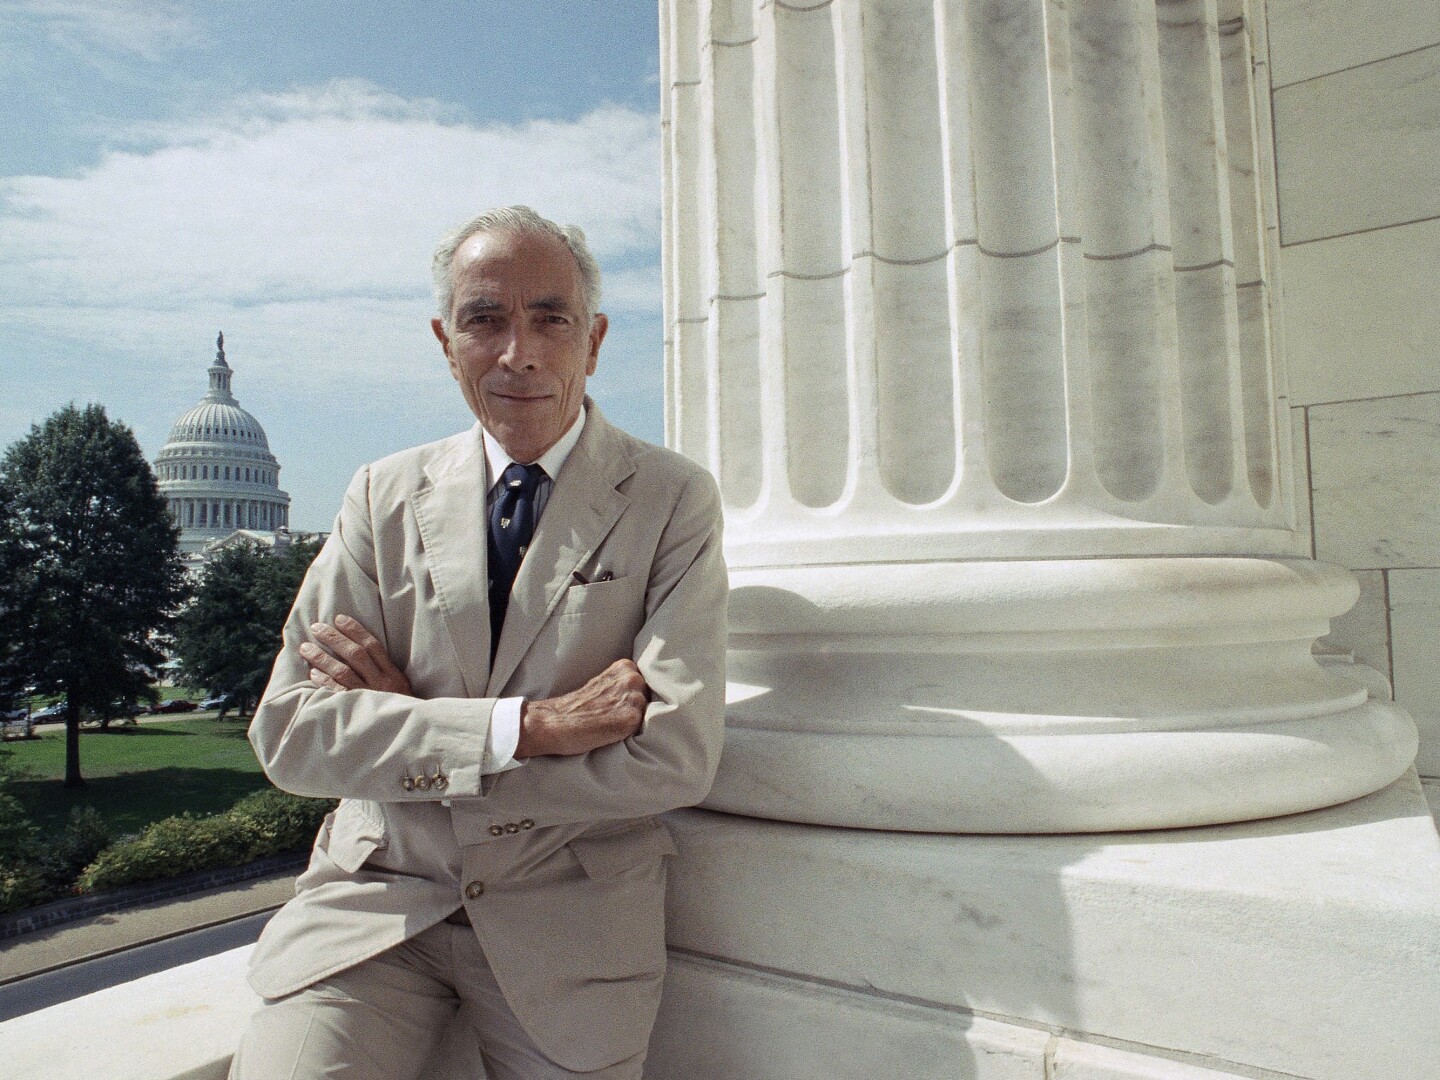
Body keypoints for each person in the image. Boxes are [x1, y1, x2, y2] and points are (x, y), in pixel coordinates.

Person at [228, 206, 728, 1080]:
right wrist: (521, 727)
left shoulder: (672, 499)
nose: (518, 353)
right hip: (375, 908)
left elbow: (674, 757)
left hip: (569, 928)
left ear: (595, 339)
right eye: (484, 318)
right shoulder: (381, 495)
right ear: (444, 339)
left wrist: (416, 731)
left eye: (550, 318)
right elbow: (293, 736)